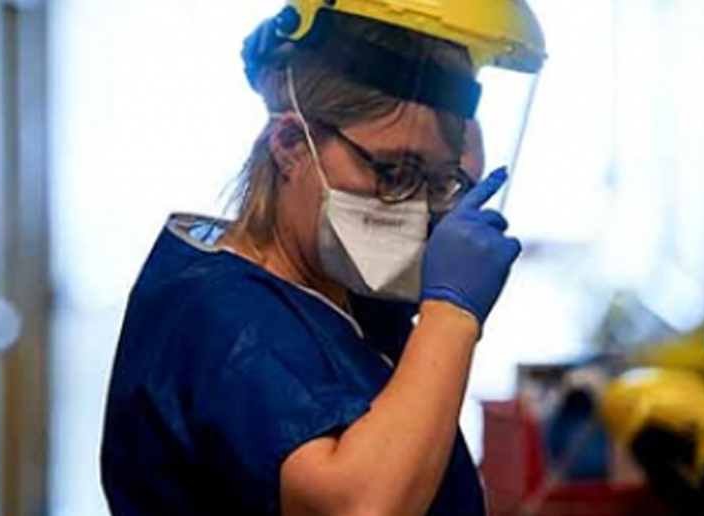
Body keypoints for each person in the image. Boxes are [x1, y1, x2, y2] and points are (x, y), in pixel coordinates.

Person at [100, 2, 546, 515]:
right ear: (292, 144)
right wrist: (451, 316)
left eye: (439, 181)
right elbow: (357, 506)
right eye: (395, 173)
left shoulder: (351, 303)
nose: (418, 207)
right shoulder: (218, 315)